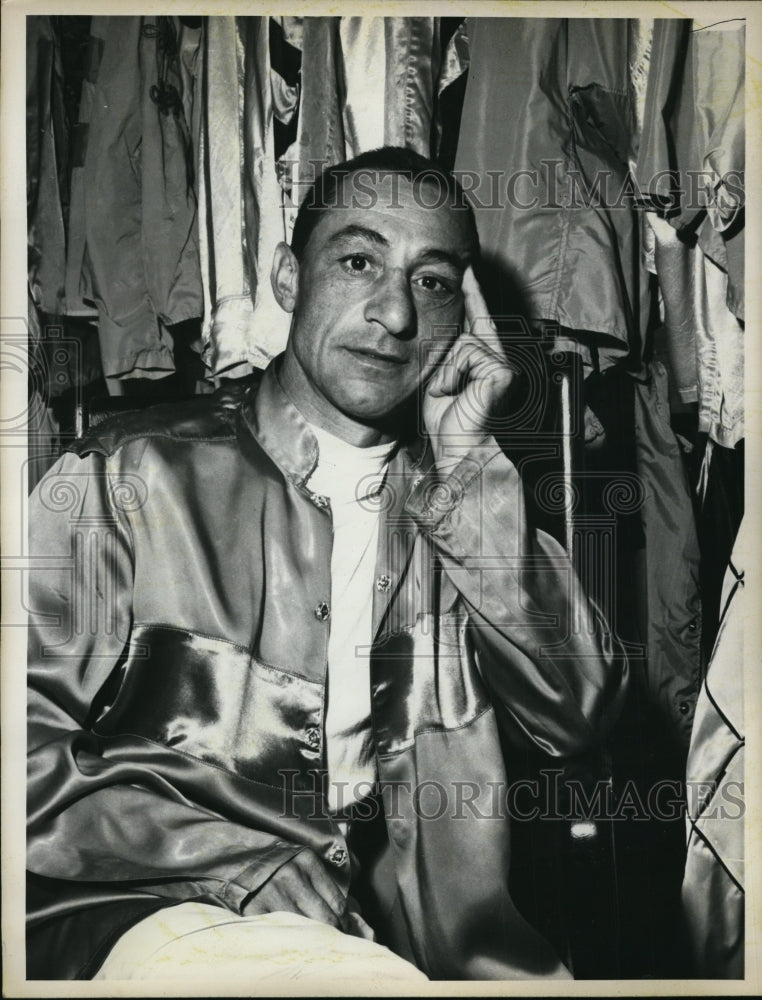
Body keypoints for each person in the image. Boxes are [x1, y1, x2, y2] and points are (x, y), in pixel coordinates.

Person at [26, 146, 627, 982]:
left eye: (433, 281)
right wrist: (225, 858)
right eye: (358, 261)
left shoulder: (461, 503)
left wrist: (472, 469)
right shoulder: (127, 476)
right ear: (285, 279)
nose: (394, 314)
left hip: (411, 943)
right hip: (138, 912)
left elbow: (578, 714)